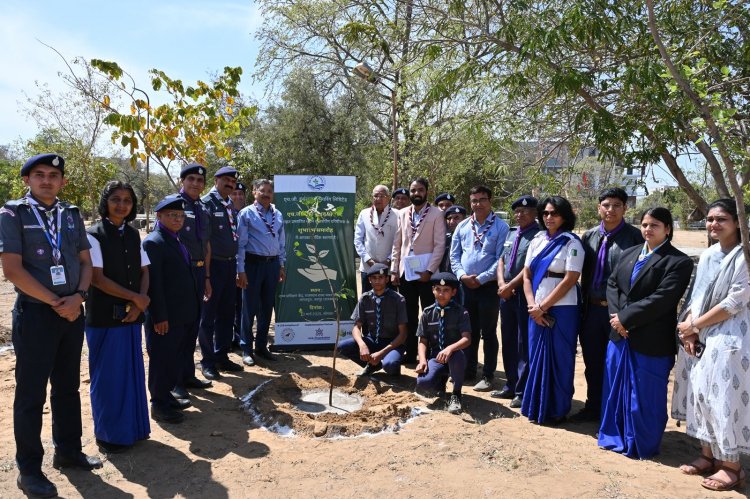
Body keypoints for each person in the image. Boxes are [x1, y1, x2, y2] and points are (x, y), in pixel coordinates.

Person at [0, 154, 101, 498]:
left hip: (72, 312)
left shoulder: (71, 214)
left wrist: (79, 297)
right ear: (27, 179)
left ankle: (68, 451)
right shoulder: (12, 213)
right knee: (31, 394)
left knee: (68, 387)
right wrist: (57, 302)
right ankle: (29, 469)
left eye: (54, 175)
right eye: (39, 174)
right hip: (37, 315)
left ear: (62, 182)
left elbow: (86, 262)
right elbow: (12, 270)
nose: (47, 180)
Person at [598, 207, 692, 459]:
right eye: (645, 224)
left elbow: (663, 298)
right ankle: (615, 435)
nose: (648, 229)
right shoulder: (629, 254)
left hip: (651, 338)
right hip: (620, 336)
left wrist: (627, 318)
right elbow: (613, 284)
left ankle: (642, 442)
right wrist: (616, 318)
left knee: (645, 395)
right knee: (616, 391)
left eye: (655, 225)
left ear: (667, 229)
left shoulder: (678, 262)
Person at [672, 199, 749, 491]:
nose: (714, 224)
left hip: (731, 335)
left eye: (722, 219)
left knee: (724, 398)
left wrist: (695, 326)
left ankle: (732, 466)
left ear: (737, 222)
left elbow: (734, 301)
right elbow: (698, 295)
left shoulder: (746, 256)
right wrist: (690, 331)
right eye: (710, 219)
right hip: (701, 332)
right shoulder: (708, 255)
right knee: (701, 394)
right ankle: (708, 455)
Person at [85, 181, 150, 454]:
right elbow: (97, 280)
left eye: (127, 200)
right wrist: (135, 298)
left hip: (131, 318)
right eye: (116, 199)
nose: (122, 205)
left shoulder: (134, 234)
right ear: (105, 202)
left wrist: (140, 304)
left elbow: (145, 271)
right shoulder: (92, 235)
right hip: (104, 319)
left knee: (132, 374)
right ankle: (110, 436)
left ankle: (133, 430)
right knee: (109, 377)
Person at [574, 187, 643, 422]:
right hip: (591, 309)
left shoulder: (635, 238)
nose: (610, 210)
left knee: (615, 363)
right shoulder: (589, 236)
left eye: (616, 205)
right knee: (592, 362)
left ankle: (612, 412)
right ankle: (592, 407)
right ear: (598, 208)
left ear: (625, 208)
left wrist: (628, 314)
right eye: (606, 205)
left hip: (618, 313)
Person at [521, 196, 584, 425]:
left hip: (563, 309)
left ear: (564, 216)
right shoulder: (537, 239)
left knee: (560, 358)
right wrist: (532, 305)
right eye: (546, 213)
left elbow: (570, 279)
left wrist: (543, 307)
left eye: (554, 213)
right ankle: (535, 405)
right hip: (534, 307)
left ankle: (557, 409)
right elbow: (527, 274)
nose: (549, 217)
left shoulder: (571, 243)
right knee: (536, 355)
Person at [142, 194, 202, 425]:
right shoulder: (153, 242)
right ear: (159, 216)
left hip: (182, 313)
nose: (178, 219)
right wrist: (159, 316)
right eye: (172, 215)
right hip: (165, 317)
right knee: (162, 360)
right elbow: (154, 285)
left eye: (180, 215)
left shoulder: (175, 239)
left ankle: (167, 396)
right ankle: (159, 404)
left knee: (173, 359)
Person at [450, 186, 509, 389]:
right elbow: (454, 255)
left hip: (488, 288)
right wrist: (462, 275)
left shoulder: (501, 227)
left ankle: (488, 375)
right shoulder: (463, 226)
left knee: (488, 332)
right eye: (474, 200)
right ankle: (468, 370)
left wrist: (481, 278)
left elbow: (501, 258)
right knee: (468, 330)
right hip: (466, 286)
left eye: (482, 199)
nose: (478, 204)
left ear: (490, 201)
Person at [491, 195, 540, 408]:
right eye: (518, 211)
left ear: (535, 214)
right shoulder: (512, 233)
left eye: (526, 212)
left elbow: (530, 267)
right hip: (506, 294)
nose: (520, 215)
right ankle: (510, 385)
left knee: (523, 344)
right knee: (508, 340)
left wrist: (510, 287)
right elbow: (501, 259)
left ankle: (522, 390)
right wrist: (502, 283)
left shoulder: (539, 236)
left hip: (523, 294)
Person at [391, 177, 446, 363]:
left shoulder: (437, 214)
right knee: (408, 314)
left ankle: (431, 353)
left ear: (426, 192)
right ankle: (411, 352)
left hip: (427, 275)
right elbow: (397, 243)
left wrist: (429, 271)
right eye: (413, 190)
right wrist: (394, 270)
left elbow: (439, 246)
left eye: (420, 190)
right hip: (407, 273)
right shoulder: (403, 213)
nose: (416, 193)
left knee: (430, 313)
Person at [198, 166, 243, 380]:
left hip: (229, 265)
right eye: (226, 180)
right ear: (216, 180)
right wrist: (206, 275)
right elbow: (205, 241)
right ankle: (207, 362)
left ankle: (221, 356)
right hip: (213, 266)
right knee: (208, 316)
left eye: (232, 182)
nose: (230, 184)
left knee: (226, 313)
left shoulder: (230, 204)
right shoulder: (207, 203)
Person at [173, 163, 213, 400]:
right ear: (182, 181)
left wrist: (207, 276)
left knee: (192, 325)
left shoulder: (203, 208)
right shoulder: (173, 205)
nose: (196, 184)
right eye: (191, 179)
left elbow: (206, 245)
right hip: (181, 273)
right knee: (178, 329)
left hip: (199, 272)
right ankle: (176, 381)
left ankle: (188, 374)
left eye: (200, 180)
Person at [237, 178, 286, 365]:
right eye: (262, 190)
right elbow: (240, 244)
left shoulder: (278, 214)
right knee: (248, 309)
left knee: (267, 308)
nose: (266, 194)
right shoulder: (246, 214)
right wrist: (240, 270)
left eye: (269, 191)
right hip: (252, 265)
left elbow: (281, 243)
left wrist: (281, 265)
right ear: (254, 192)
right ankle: (246, 349)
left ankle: (261, 347)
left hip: (272, 266)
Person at [415, 272, 472, 414]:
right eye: (438, 290)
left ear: (454, 292)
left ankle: (456, 394)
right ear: (433, 290)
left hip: (455, 356)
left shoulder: (461, 312)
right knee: (423, 384)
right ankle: (440, 382)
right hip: (436, 356)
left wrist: (450, 349)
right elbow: (423, 340)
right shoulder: (427, 313)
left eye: (446, 290)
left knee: (457, 355)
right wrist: (422, 360)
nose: (441, 294)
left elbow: (467, 338)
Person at [337, 264, 408, 376]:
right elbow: (357, 326)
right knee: (342, 346)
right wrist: (362, 345)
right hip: (373, 340)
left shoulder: (398, 299)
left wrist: (381, 353)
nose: (377, 281)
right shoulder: (365, 298)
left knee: (390, 364)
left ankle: (394, 370)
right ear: (369, 280)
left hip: (393, 343)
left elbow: (403, 334)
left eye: (380, 277)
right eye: (374, 278)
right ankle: (372, 365)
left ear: (387, 279)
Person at [354, 185, 398, 294]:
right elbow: (358, 240)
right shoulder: (364, 214)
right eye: (376, 196)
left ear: (389, 198)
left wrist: (388, 260)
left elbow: (399, 241)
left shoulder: (397, 215)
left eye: (382, 196)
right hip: (368, 268)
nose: (378, 199)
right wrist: (368, 259)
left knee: (390, 303)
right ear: (372, 198)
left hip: (388, 268)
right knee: (368, 302)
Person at [231, 181, 247, 350]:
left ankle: (239, 337)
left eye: (240, 194)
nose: (237, 196)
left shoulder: (248, 214)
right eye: (234, 193)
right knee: (228, 304)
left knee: (241, 305)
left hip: (243, 266)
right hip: (227, 265)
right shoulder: (226, 212)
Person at [440, 205, 466, 273]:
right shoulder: (445, 238)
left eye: (456, 218)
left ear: (464, 219)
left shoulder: (469, 238)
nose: (452, 221)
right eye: (449, 218)